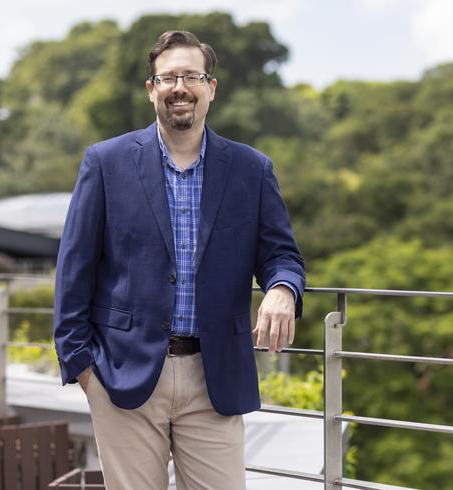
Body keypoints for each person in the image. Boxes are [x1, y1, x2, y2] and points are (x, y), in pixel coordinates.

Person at [53, 30, 305, 490]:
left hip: (215, 379)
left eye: (191, 76)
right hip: (121, 378)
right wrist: (83, 369)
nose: (179, 87)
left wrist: (282, 290)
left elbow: (281, 255)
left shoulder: (252, 169)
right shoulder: (105, 163)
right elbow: (75, 269)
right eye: (167, 78)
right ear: (152, 89)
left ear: (211, 87)